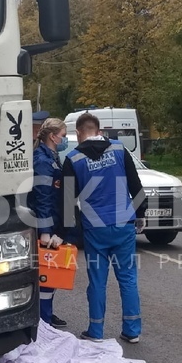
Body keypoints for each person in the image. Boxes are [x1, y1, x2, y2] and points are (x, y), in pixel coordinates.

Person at [61, 112, 147, 343]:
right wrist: (140, 214)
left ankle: (96, 332)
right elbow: (136, 186)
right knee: (128, 278)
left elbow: (68, 201)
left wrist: (67, 234)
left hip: (95, 229)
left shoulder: (73, 159)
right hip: (123, 224)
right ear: (99, 131)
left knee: (97, 281)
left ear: (79, 133)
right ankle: (132, 331)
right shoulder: (120, 150)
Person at [29, 116, 68, 328]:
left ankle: (47, 314)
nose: (65, 139)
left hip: (50, 219)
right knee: (46, 273)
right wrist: (45, 230)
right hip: (43, 222)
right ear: (52, 136)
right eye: (63, 136)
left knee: (50, 273)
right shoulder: (42, 160)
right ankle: (43, 320)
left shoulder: (51, 156)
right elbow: (42, 196)